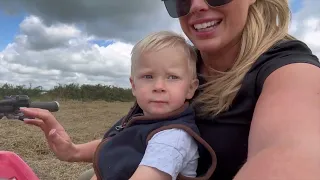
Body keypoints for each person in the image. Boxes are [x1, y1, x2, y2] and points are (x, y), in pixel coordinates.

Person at [20, 0, 320, 179]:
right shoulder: (175, 66)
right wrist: (73, 152)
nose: (198, 5)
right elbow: (140, 136)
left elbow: (293, 156)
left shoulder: (288, 68)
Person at [21, 31, 216, 180]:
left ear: (191, 88)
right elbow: (122, 141)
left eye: (172, 77)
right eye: (148, 76)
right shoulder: (144, 117)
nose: (159, 86)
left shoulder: (172, 139)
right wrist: (73, 150)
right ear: (133, 85)